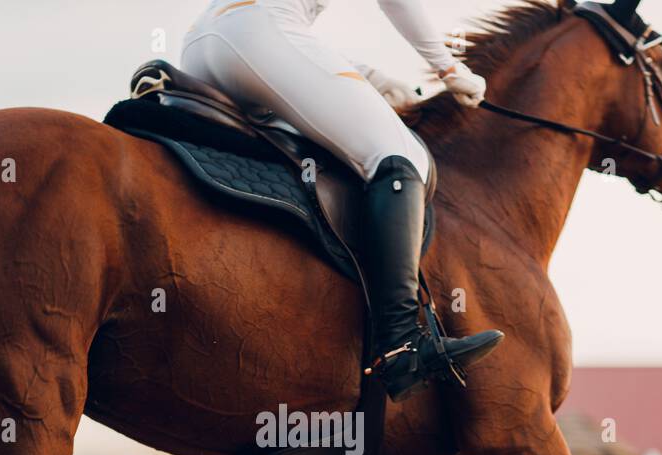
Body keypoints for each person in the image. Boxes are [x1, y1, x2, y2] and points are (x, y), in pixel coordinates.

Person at [181, 0, 504, 401]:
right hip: (259, 32)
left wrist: (369, 76)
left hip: (202, 42)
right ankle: (402, 345)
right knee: (399, 157)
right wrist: (449, 68)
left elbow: (293, 39)